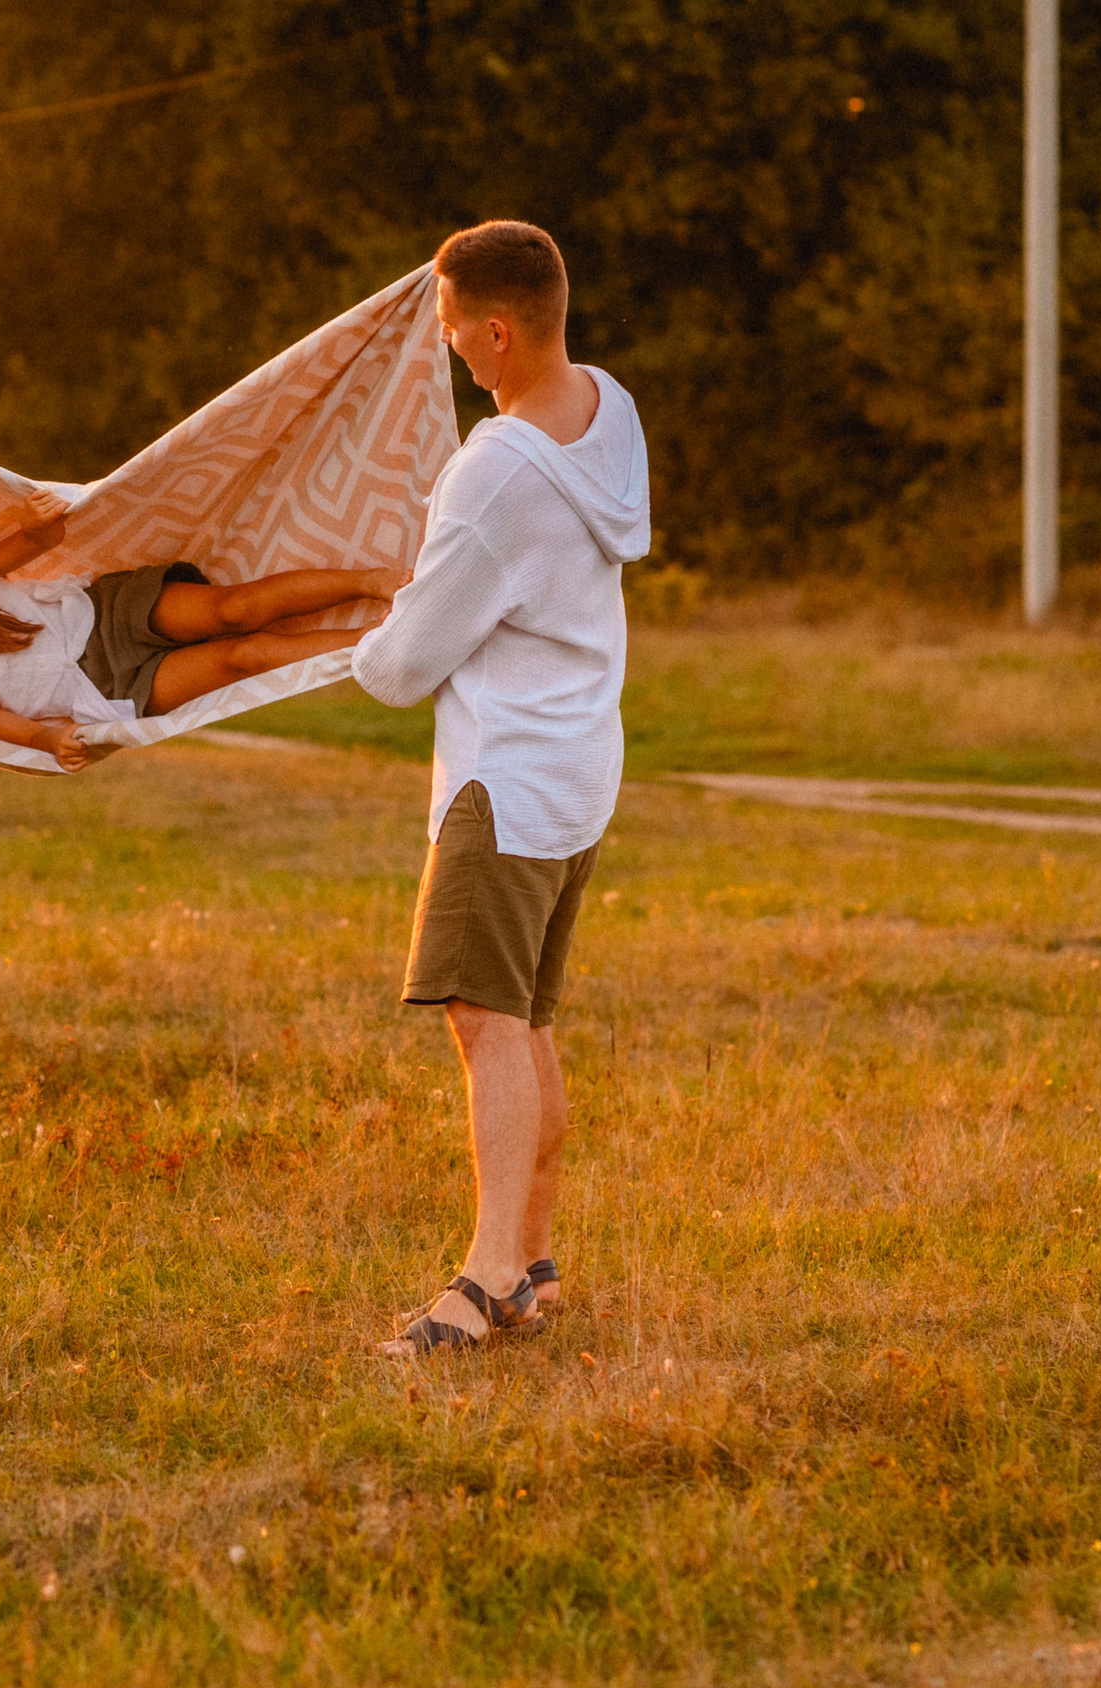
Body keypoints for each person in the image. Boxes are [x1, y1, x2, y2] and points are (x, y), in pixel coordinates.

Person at [353, 221, 651, 1356]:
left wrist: (367, 630)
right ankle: (529, 1263)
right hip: (577, 767)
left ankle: (480, 1282)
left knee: (484, 1022)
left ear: (497, 329)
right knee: (522, 1017)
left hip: (504, 781)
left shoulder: (490, 475)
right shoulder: (607, 410)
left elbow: (399, 668)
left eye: (454, 337)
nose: (451, 356)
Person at [0, 502, 405, 770]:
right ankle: (380, 635)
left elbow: (38, 539)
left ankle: (377, 581)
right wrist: (49, 744)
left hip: (104, 613)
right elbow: (11, 728)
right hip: (109, 687)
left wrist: (37, 520)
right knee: (245, 656)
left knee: (236, 609)